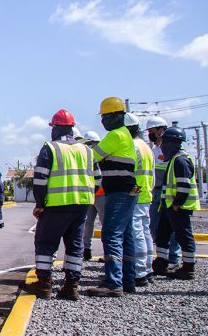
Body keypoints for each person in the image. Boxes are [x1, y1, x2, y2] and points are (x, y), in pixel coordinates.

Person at [20, 109, 96, 301]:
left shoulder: (50, 148)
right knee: (75, 245)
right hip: (81, 205)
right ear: (72, 128)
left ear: (55, 128)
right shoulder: (87, 150)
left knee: (45, 243)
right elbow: (99, 179)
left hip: (56, 205)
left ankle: (44, 284)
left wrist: (39, 204)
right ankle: (72, 286)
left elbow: (40, 180)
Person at [87, 97, 139, 297]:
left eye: (105, 117)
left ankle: (113, 282)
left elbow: (91, 157)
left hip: (119, 191)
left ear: (116, 116)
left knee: (111, 233)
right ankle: (128, 279)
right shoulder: (125, 134)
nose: (103, 121)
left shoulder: (114, 135)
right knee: (126, 233)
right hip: (129, 190)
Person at [152, 127, 200, 280]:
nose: (162, 146)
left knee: (183, 235)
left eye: (165, 142)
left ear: (173, 143)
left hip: (178, 207)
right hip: (169, 206)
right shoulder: (173, 160)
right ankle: (162, 262)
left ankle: (188, 266)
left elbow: (183, 185)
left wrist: (177, 204)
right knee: (162, 234)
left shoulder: (180, 160)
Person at [146, 116, 181, 266]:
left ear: (161, 130)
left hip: (169, 193)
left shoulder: (171, 150)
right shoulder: (152, 149)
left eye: (152, 131)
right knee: (155, 226)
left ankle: (174, 258)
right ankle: (163, 257)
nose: (150, 134)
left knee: (173, 227)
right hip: (155, 192)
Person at [126, 113, 155, 287]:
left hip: (136, 195)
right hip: (146, 195)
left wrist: (130, 195)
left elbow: (133, 175)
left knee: (136, 234)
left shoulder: (133, 147)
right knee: (145, 233)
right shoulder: (146, 146)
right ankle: (148, 268)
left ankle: (139, 272)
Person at [81, 130, 103, 261]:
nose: (90, 146)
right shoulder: (84, 156)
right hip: (91, 195)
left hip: (101, 194)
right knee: (87, 223)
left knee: (103, 223)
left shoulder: (101, 156)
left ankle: (106, 251)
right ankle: (86, 250)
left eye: (92, 143)